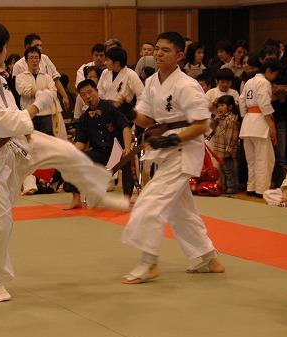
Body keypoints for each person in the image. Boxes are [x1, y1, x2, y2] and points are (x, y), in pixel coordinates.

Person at [0, 21, 128, 302]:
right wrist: (38, 105)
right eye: (5, 47)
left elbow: (10, 113)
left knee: (67, 151)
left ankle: (96, 191)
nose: (7, 52)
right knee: (0, 223)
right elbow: (4, 121)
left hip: (14, 142)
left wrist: (30, 120)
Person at [120, 31, 224, 284]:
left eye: (165, 50)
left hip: (183, 150)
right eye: (157, 48)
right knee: (181, 211)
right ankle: (209, 259)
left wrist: (171, 140)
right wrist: (128, 111)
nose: (158, 53)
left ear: (179, 56)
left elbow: (202, 125)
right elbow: (147, 119)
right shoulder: (152, 82)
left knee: (150, 203)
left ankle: (149, 262)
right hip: (166, 149)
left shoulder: (187, 85)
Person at [65, 79, 133, 209]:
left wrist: (127, 148)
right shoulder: (84, 118)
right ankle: (76, 198)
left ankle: (126, 199)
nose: (87, 96)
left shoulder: (112, 106)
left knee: (126, 158)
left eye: (90, 92)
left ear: (97, 91)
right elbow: (81, 143)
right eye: (83, 95)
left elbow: (125, 127)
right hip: (98, 153)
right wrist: (70, 153)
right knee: (74, 160)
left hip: (117, 150)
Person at [239, 57, 281, 197]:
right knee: (264, 159)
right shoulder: (264, 82)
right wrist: (271, 126)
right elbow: (264, 104)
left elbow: (241, 100)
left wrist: (245, 116)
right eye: (275, 74)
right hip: (260, 123)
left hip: (248, 123)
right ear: (268, 70)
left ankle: (251, 187)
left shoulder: (249, 81)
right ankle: (261, 190)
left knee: (251, 160)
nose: (274, 77)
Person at [11, 33, 71, 111]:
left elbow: (55, 79)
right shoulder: (18, 65)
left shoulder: (45, 58)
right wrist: (43, 94)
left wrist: (64, 96)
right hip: (30, 106)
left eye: (40, 45)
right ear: (27, 47)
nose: (39, 48)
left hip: (50, 106)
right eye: (36, 45)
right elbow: (19, 90)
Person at [208, 95, 239, 194]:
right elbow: (212, 128)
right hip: (219, 147)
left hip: (226, 149)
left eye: (222, 105)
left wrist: (229, 148)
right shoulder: (220, 117)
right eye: (218, 106)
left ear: (230, 107)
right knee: (222, 168)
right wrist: (215, 120)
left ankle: (232, 187)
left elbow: (232, 135)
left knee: (228, 169)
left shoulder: (231, 118)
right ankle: (224, 186)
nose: (219, 108)